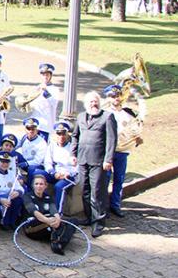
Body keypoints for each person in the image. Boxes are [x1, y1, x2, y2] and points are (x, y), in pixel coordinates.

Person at [73, 91, 117, 237]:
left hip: (99, 161)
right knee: (84, 190)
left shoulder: (107, 117)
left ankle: (98, 222)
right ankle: (88, 217)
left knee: (97, 192)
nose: (94, 104)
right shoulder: (80, 117)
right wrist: (73, 154)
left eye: (96, 101)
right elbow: (75, 136)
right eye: (91, 101)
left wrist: (108, 159)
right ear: (86, 104)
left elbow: (111, 140)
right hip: (82, 160)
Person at [103, 84, 141, 218]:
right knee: (105, 179)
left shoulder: (128, 114)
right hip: (107, 151)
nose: (115, 99)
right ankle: (103, 206)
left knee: (119, 179)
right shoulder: (104, 113)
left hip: (122, 151)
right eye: (112, 96)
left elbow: (134, 130)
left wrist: (137, 137)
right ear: (108, 98)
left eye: (118, 96)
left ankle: (115, 205)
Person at [22, 172, 76, 255]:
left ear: (45, 186)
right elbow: (34, 212)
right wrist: (48, 221)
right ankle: (58, 238)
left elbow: (54, 211)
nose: (39, 186)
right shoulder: (27, 196)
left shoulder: (48, 197)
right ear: (33, 186)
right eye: (36, 184)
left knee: (73, 221)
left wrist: (57, 219)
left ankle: (58, 242)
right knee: (61, 227)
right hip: (33, 226)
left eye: (41, 184)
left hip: (48, 224)